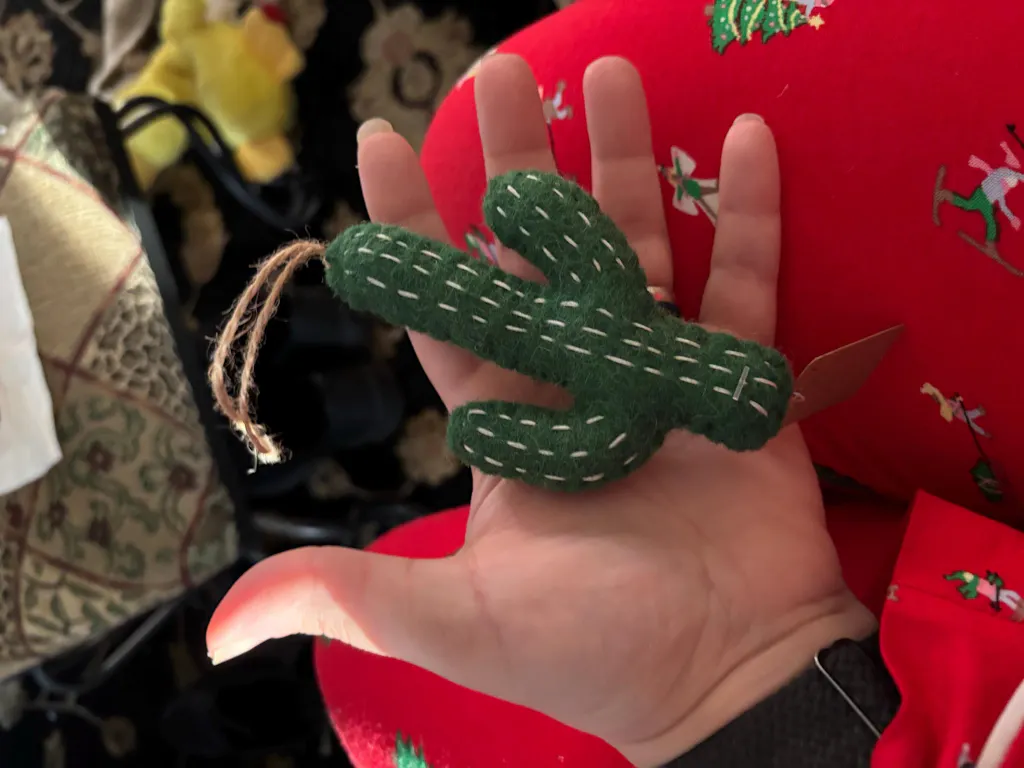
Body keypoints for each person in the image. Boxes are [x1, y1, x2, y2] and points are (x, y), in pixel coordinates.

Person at [206, 1, 1024, 764]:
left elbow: (553, 404)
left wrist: (744, 683)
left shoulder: (623, 425)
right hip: (960, 667)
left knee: (364, 668)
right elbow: (549, 262)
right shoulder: (620, 404)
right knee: (462, 156)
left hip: (874, 681)